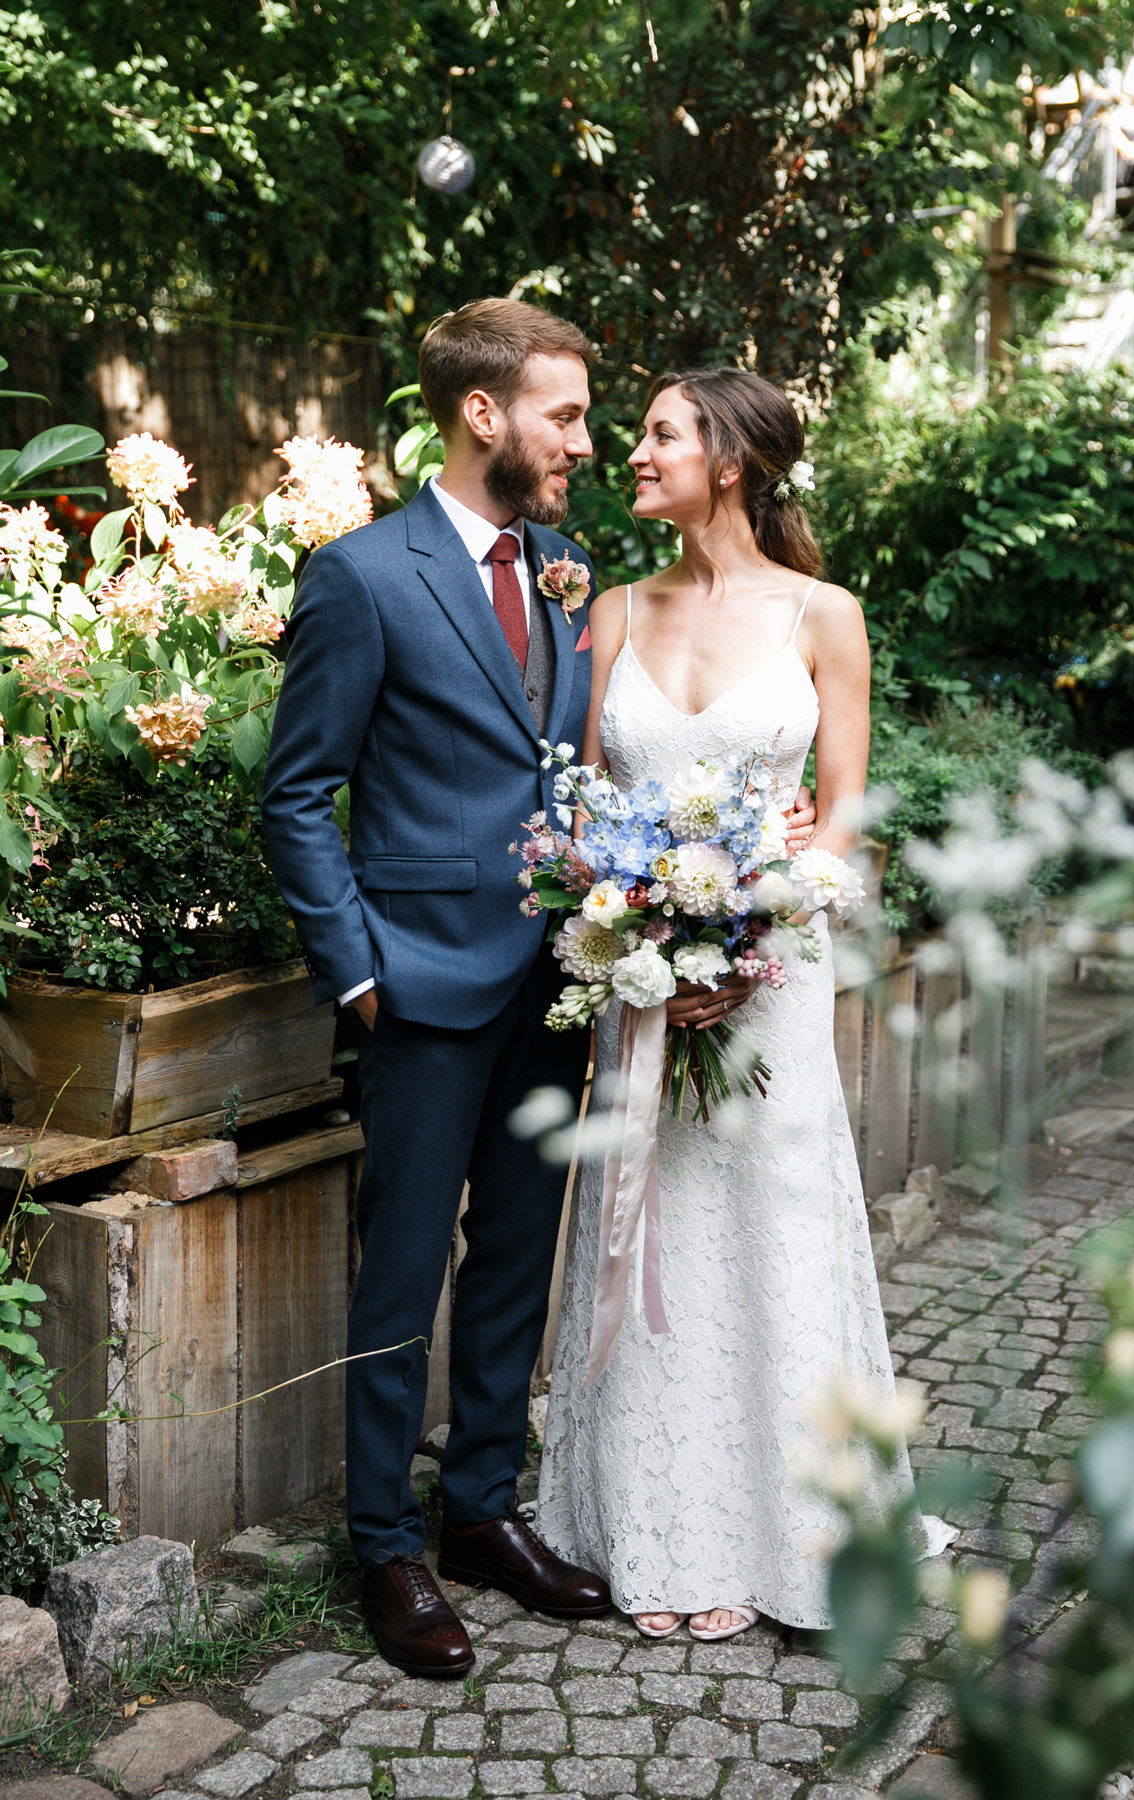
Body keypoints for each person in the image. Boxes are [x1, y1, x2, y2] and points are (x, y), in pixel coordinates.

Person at [537, 366, 939, 1641]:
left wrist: (749, 939)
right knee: (649, 1235)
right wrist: (634, 929)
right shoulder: (608, 613)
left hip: (772, 989)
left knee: (768, 1239)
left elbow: (849, 827)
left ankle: (796, 1535)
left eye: (659, 434)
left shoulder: (827, 614)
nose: (633, 453)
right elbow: (580, 823)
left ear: (732, 458)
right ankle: (660, 1530)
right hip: (643, 983)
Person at [261, 298, 617, 1677]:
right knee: (402, 1277)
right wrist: (355, 972)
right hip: (414, 990)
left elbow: (562, 768)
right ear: (486, 415)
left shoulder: (568, 569)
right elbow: (299, 794)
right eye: (565, 415)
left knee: (516, 1264)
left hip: (554, 983)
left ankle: (479, 1513)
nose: (581, 441)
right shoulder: (363, 575)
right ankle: (387, 1548)